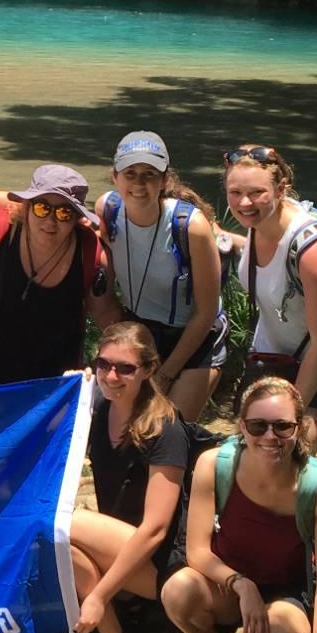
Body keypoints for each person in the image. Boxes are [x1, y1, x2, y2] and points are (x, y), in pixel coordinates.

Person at [163, 377, 317, 633]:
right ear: (241, 427)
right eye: (258, 426)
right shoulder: (213, 465)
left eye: (282, 427)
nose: (269, 437)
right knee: (178, 590)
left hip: (286, 593)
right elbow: (198, 552)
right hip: (229, 584)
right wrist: (241, 585)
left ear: (301, 428)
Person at [45, 322, 197, 633]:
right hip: (123, 543)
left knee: (63, 520)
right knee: (56, 537)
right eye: (103, 365)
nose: (111, 376)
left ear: (149, 370)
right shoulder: (95, 407)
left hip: (162, 562)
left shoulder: (165, 428)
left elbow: (157, 529)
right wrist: (70, 392)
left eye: (125, 368)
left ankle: (110, 628)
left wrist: (99, 596)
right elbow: (46, 434)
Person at [223, 144, 317, 450]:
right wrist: (221, 237)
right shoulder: (257, 222)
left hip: (315, 375)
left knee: (289, 465)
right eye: (234, 192)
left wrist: (290, 415)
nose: (244, 202)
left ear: (281, 190)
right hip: (268, 362)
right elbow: (267, 264)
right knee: (249, 466)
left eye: (256, 192)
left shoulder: (311, 248)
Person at [96, 130, 228, 420]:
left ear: (165, 179)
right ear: (115, 176)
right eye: (130, 173)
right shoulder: (107, 208)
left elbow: (205, 314)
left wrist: (165, 374)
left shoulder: (190, 226)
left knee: (169, 430)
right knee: (129, 428)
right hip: (142, 330)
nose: (139, 184)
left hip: (194, 336)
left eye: (149, 174)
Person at [0, 164, 109, 385]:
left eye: (64, 212)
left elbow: (110, 319)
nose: (51, 221)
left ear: (77, 219)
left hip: (51, 392)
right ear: (26, 207)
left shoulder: (89, 254)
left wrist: (118, 368)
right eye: (42, 208)